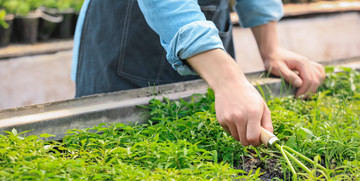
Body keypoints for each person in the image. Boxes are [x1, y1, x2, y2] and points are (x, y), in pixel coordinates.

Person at [71, 0, 325, 147]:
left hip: (205, 21)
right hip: (130, 36)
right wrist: (227, 80)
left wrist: (270, 46)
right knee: (115, 146)